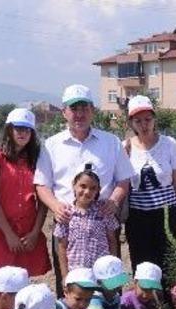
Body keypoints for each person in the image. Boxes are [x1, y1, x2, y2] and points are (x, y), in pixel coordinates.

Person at [35, 84, 132, 296]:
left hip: (103, 222)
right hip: (68, 224)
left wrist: (114, 201)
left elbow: (124, 179)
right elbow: (41, 184)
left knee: (108, 285)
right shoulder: (51, 145)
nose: (79, 114)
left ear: (92, 111)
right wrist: (55, 207)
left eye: (84, 108)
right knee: (70, 288)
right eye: (74, 109)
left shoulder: (111, 142)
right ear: (64, 112)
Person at [0, 108, 50, 278]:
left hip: (28, 233)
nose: (22, 133)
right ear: (9, 130)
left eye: (27, 129)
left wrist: (35, 232)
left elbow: (43, 200)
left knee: (23, 282)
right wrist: (9, 234)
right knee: (2, 282)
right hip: (1, 232)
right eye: (18, 128)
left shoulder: (35, 160)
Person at [123, 95, 176, 271]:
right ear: (131, 123)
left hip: (168, 216)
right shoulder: (125, 147)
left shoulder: (169, 144)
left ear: (154, 119)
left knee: (169, 267)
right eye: (138, 121)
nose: (144, 125)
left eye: (147, 119)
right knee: (143, 269)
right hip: (138, 218)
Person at [55, 170, 119, 276]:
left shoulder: (103, 211)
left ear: (98, 190)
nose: (87, 192)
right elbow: (62, 248)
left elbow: (112, 241)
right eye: (83, 186)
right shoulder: (66, 214)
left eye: (93, 188)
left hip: (102, 273)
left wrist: (113, 270)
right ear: (74, 185)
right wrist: (65, 276)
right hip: (76, 273)